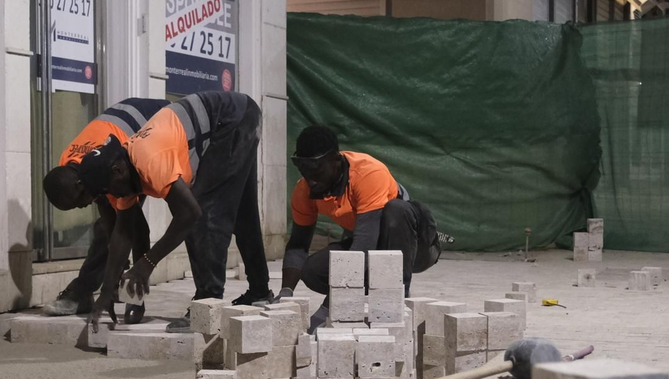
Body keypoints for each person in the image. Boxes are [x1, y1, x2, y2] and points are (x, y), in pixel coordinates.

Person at [76, 91, 272, 329]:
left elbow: (190, 214)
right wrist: (106, 291)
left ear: (117, 171)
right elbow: (123, 233)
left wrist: (147, 264)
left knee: (205, 214)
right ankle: (260, 291)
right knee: (243, 213)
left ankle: (207, 304)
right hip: (234, 116)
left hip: (231, 119)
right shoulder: (124, 173)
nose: (113, 197)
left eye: (110, 190)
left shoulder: (149, 160)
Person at [279, 126, 441, 330]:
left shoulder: (368, 173)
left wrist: (328, 309)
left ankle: (396, 301)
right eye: (305, 170)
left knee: (396, 210)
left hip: (415, 248)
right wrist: (285, 293)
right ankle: (367, 297)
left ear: (336, 160)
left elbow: (364, 246)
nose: (311, 180)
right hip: (369, 245)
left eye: (317, 170)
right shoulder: (305, 190)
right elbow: (298, 245)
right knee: (312, 271)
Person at [40, 97, 168, 321]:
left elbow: (138, 233)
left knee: (135, 226)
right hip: (125, 129)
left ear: (82, 184)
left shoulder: (110, 168)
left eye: (79, 201)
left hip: (161, 122)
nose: (84, 206)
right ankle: (91, 289)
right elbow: (109, 222)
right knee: (108, 229)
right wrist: (114, 274)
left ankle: (205, 295)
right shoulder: (69, 164)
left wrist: (136, 301)